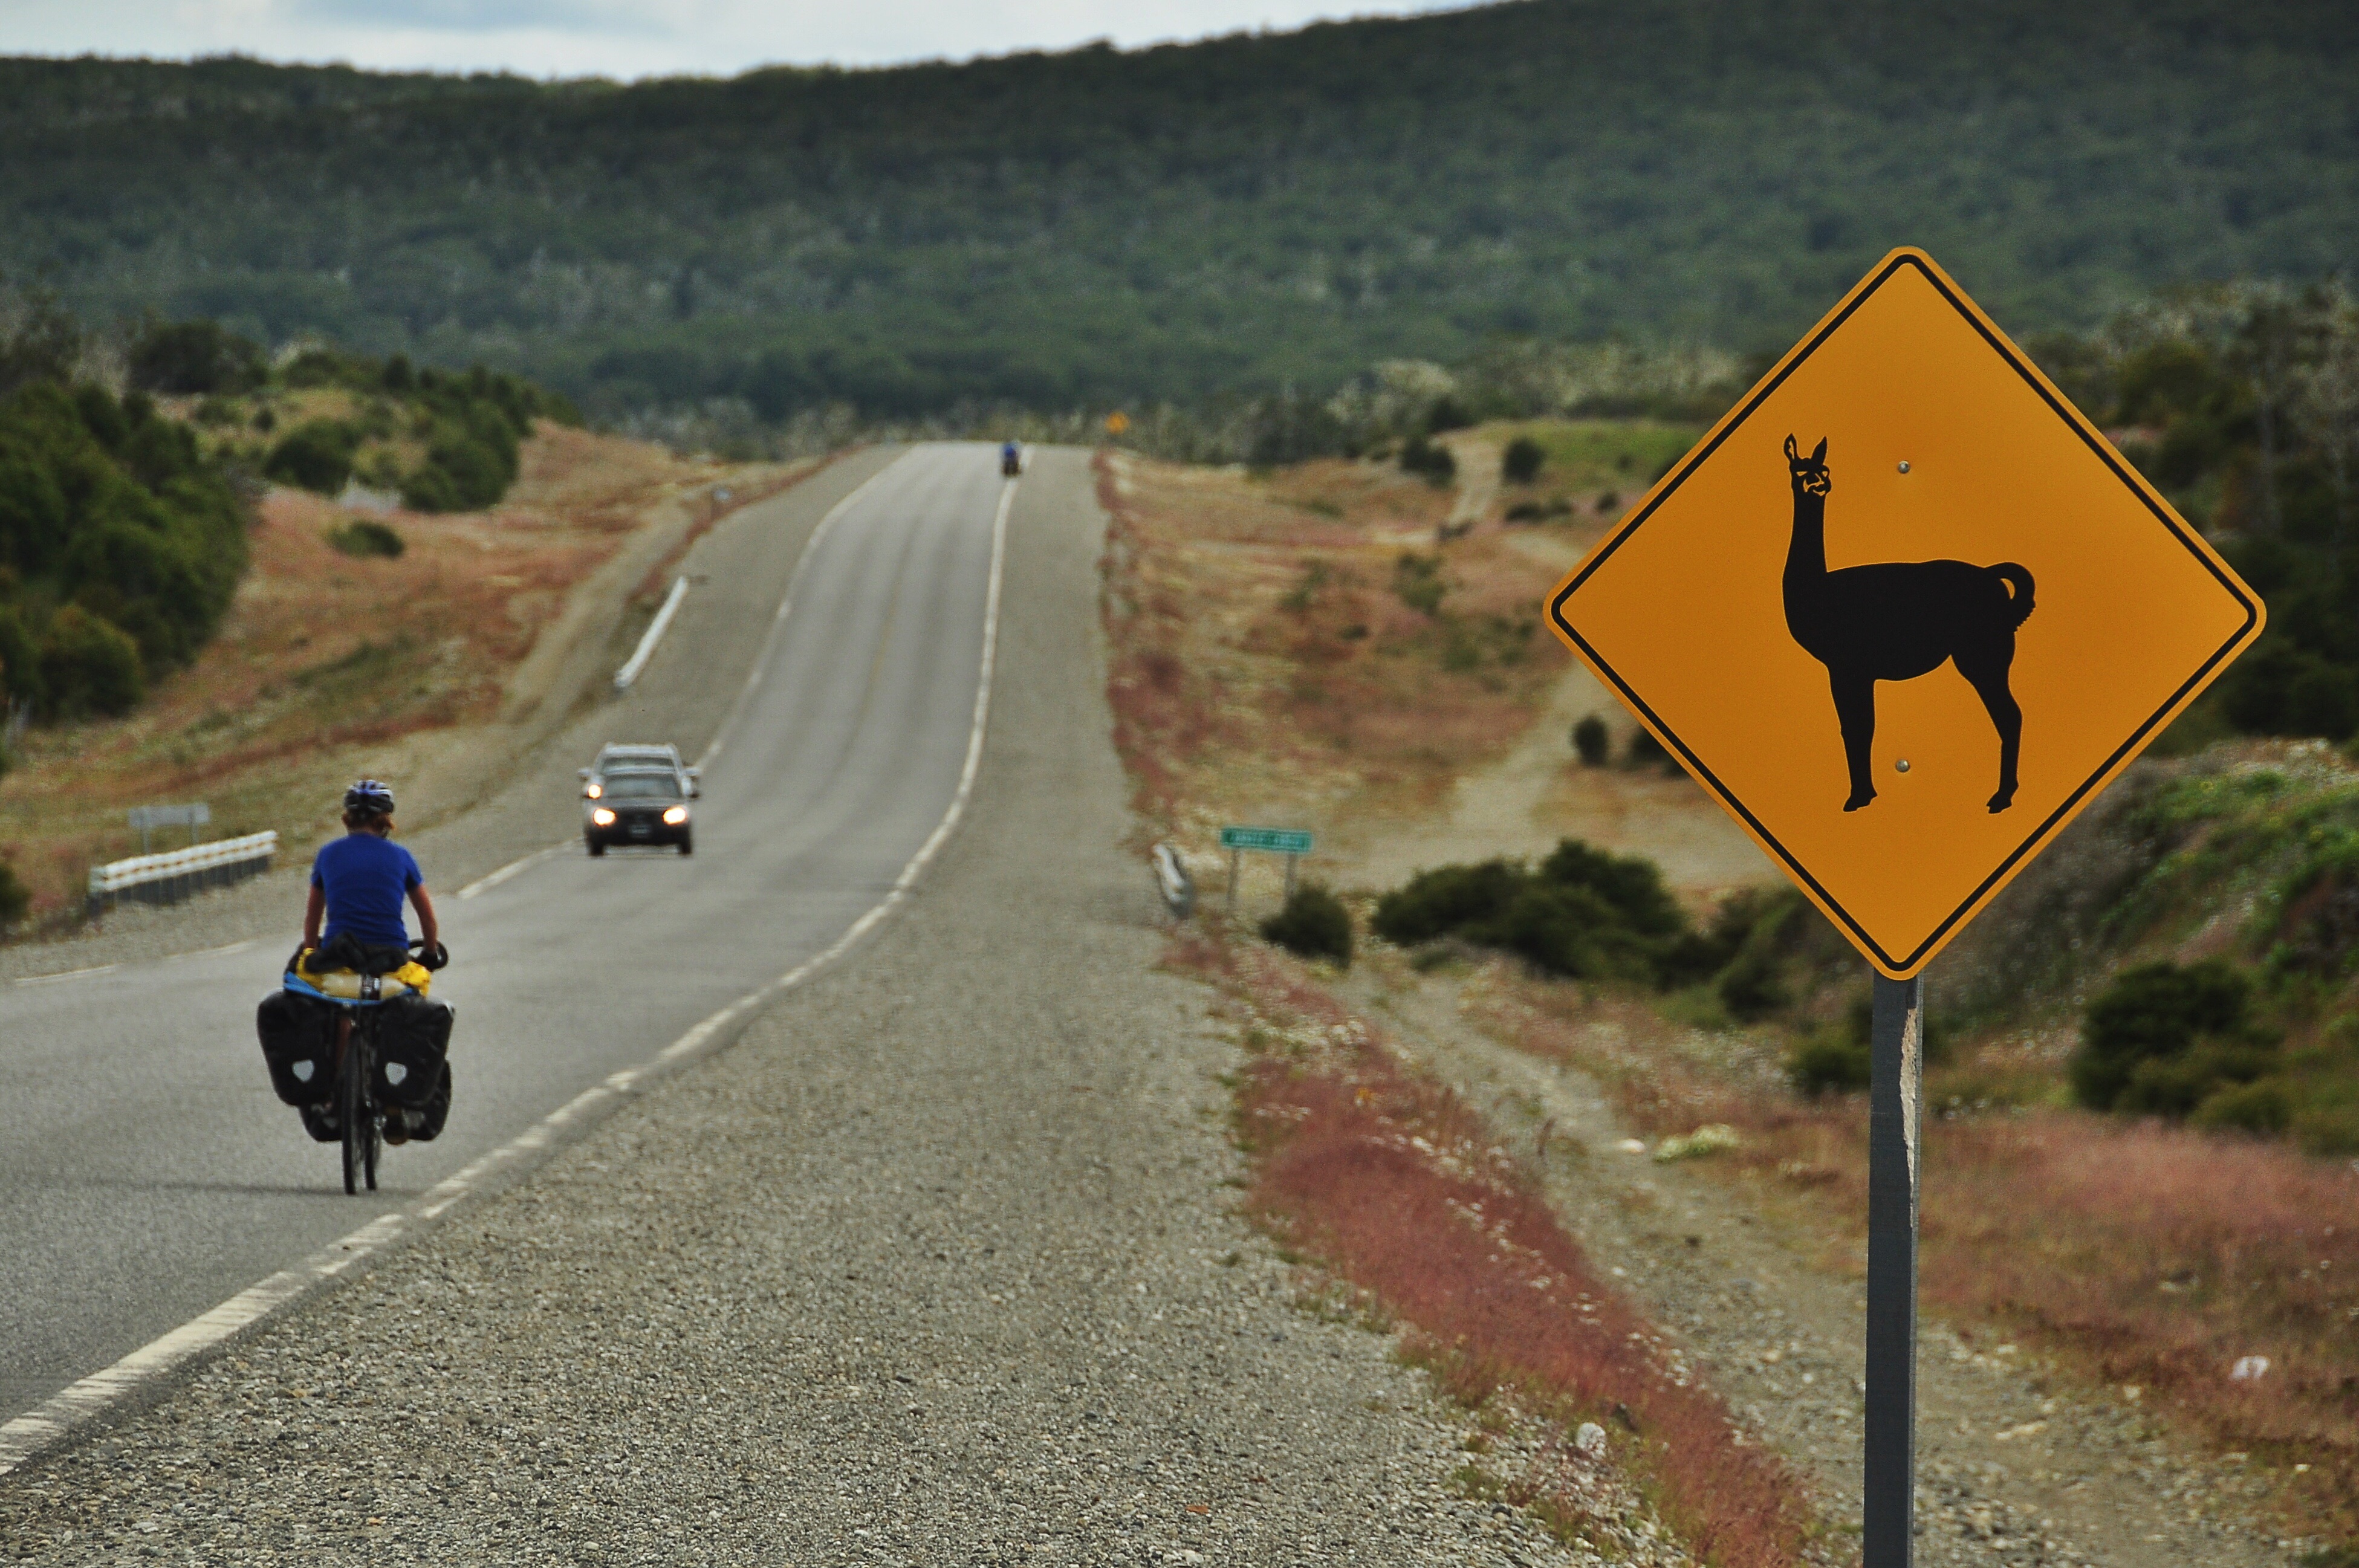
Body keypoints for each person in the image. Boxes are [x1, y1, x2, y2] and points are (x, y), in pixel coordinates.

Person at [302, 779, 438, 975]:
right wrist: (430, 953)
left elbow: (312, 919)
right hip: (391, 955)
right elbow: (427, 917)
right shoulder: (401, 856)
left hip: (339, 954)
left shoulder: (327, 854)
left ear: (348, 818)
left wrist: (310, 955)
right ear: (385, 820)